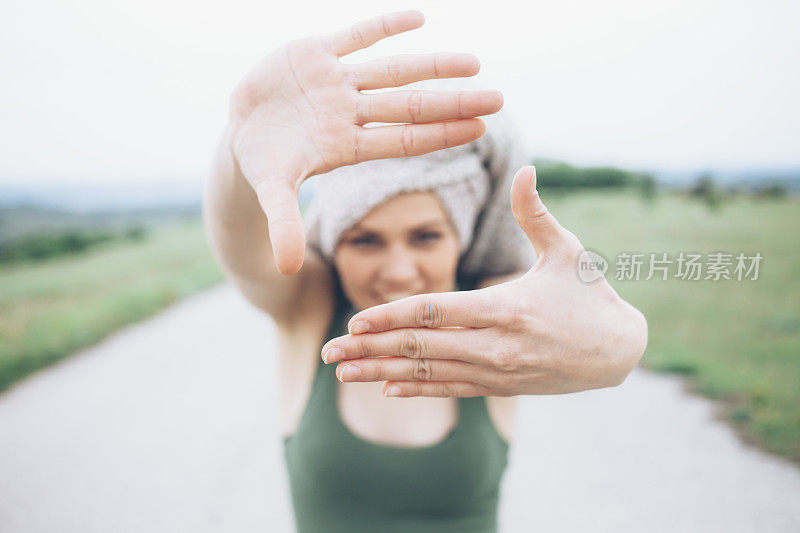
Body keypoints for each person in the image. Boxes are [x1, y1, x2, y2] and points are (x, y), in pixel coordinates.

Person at [204, 10, 648, 532]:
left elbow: (597, 326)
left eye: (426, 236)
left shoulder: (492, 318)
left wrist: (625, 342)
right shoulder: (310, 311)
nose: (397, 273)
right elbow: (239, 243)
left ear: (463, 236)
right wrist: (240, 147)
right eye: (365, 239)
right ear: (333, 243)